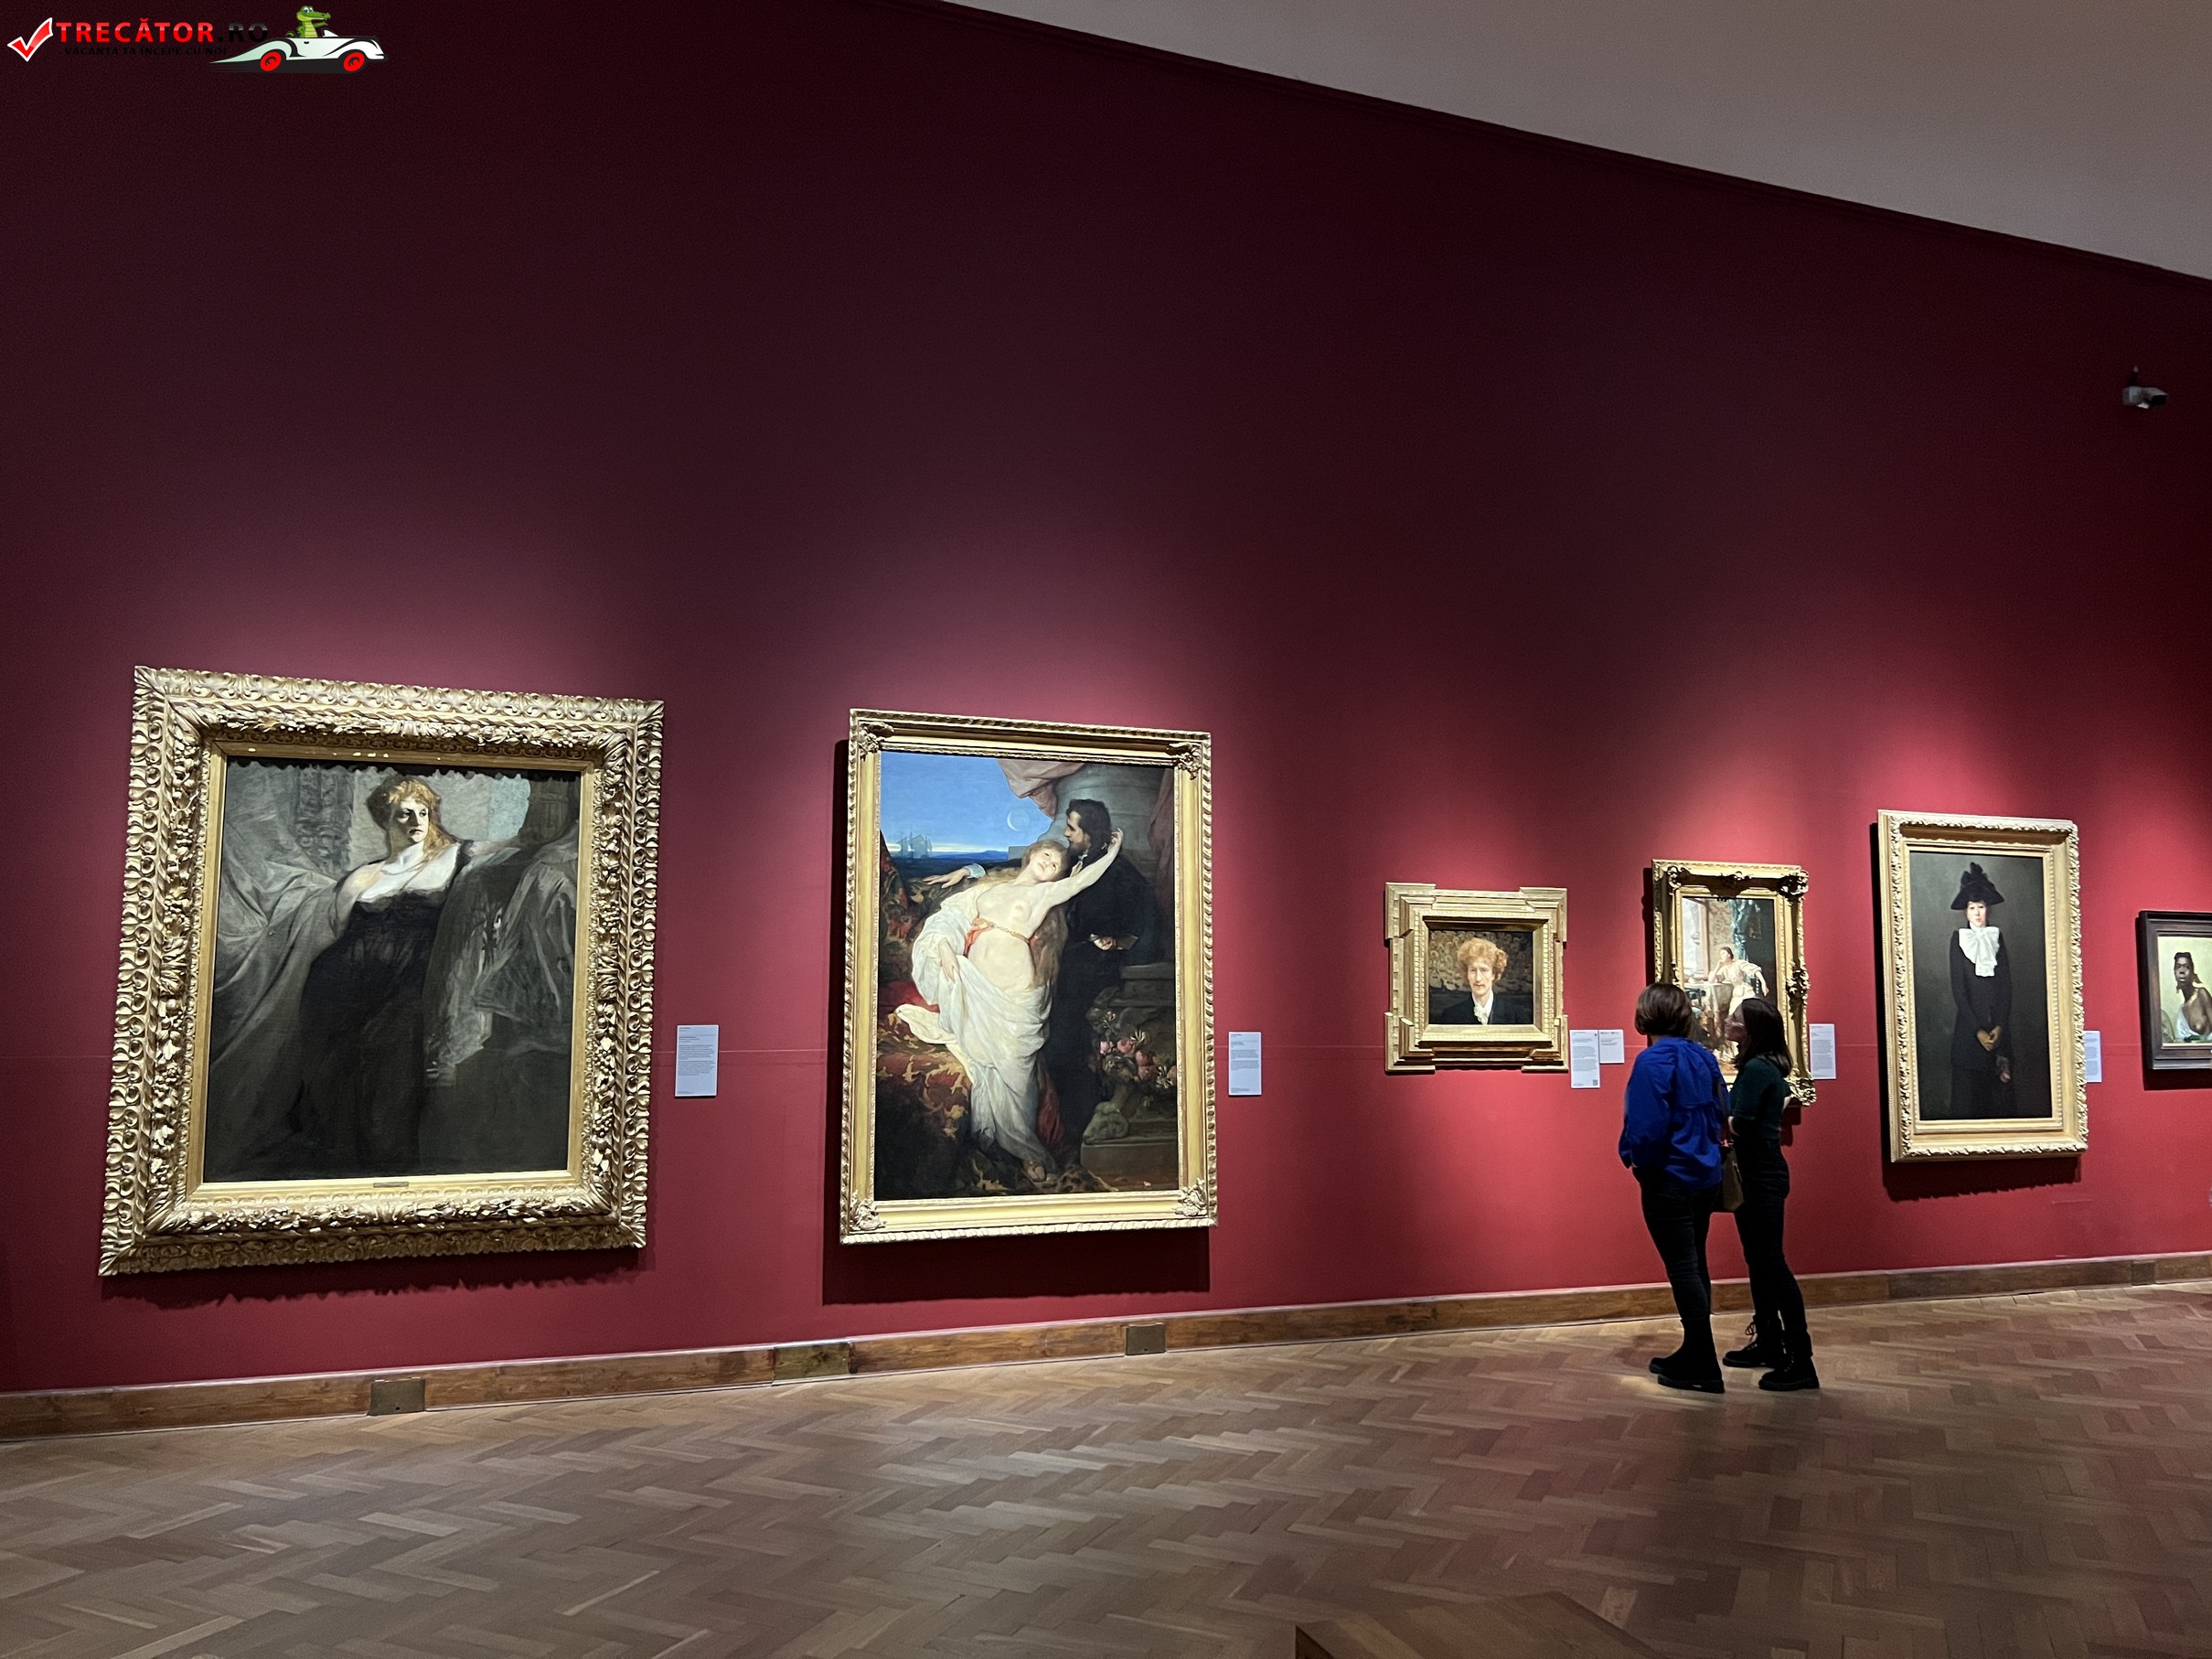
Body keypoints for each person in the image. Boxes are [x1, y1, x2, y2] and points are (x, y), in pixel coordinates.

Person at [897, 830, 1125, 1181]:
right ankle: (1012, 1147)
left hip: (1016, 988)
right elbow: (948, 918)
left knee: (1018, 1069)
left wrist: (1111, 854)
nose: (1049, 864)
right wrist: (944, 948)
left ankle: (1027, 1149)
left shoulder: (1044, 895)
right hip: (976, 983)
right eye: (1046, 856)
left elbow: (1082, 881)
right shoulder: (988, 889)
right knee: (987, 1062)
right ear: (1032, 854)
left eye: (1056, 865)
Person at [1619, 982, 1729, 1393]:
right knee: (1695, 1263)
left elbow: (1646, 1127)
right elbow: (1723, 1110)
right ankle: (1695, 1349)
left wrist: (1638, 1161)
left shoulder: (1652, 1061)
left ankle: (1703, 1362)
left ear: (1646, 1016)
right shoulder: (1703, 1056)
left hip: (1669, 1176)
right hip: (1705, 1175)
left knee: (1683, 1267)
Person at [1720, 997, 1819, 1390]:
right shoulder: (1759, 1066)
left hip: (1761, 1174)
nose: (1729, 1020)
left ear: (1751, 1030)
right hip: (1757, 1173)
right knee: (1760, 1261)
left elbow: (1741, 1123)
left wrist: (1713, 1113)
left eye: (1736, 1018)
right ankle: (1770, 1342)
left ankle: (1801, 1359)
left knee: (1771, 1263)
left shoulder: (1758, 1069)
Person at [1948, 863, 2014, 1117]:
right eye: (1972, 908)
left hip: (1997, 1031)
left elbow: (2006, 986)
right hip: (1969, 1033)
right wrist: (1978, 1030)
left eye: (1981, 907)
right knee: (1968, 1103)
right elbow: (1959, 991)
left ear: (1988, 909)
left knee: (1997, 1104)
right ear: (1966, 911)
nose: (1977, 913)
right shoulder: (1958, 940)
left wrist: (1999, 1026)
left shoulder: (1997, 938)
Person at [1427, 936, 1533, 1025]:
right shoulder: (1450, 1016)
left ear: (1494, 974)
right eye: (1473, 970)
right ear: (1467, 974)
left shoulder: (1516, 1015)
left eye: (1484, 970)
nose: (1478, 978)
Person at [2168, 951, 2212, 1044]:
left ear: (2192, 972)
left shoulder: (2201, 994)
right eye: (2178, 967)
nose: (2182, 971)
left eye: (2186, 967)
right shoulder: (2182, 1010)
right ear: (2174, 973)